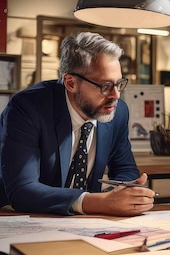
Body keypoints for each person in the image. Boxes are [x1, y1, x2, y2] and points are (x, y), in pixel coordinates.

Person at [0, 31, 156, 216]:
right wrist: (99, 203)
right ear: (71, 83)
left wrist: (120, 195)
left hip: (83, 224)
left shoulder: (118, 111)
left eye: (119, 84)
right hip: (18, 220)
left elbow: (125, 169)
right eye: (105, 86)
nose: (116, 95)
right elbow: (22, 190)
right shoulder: (27, 108)